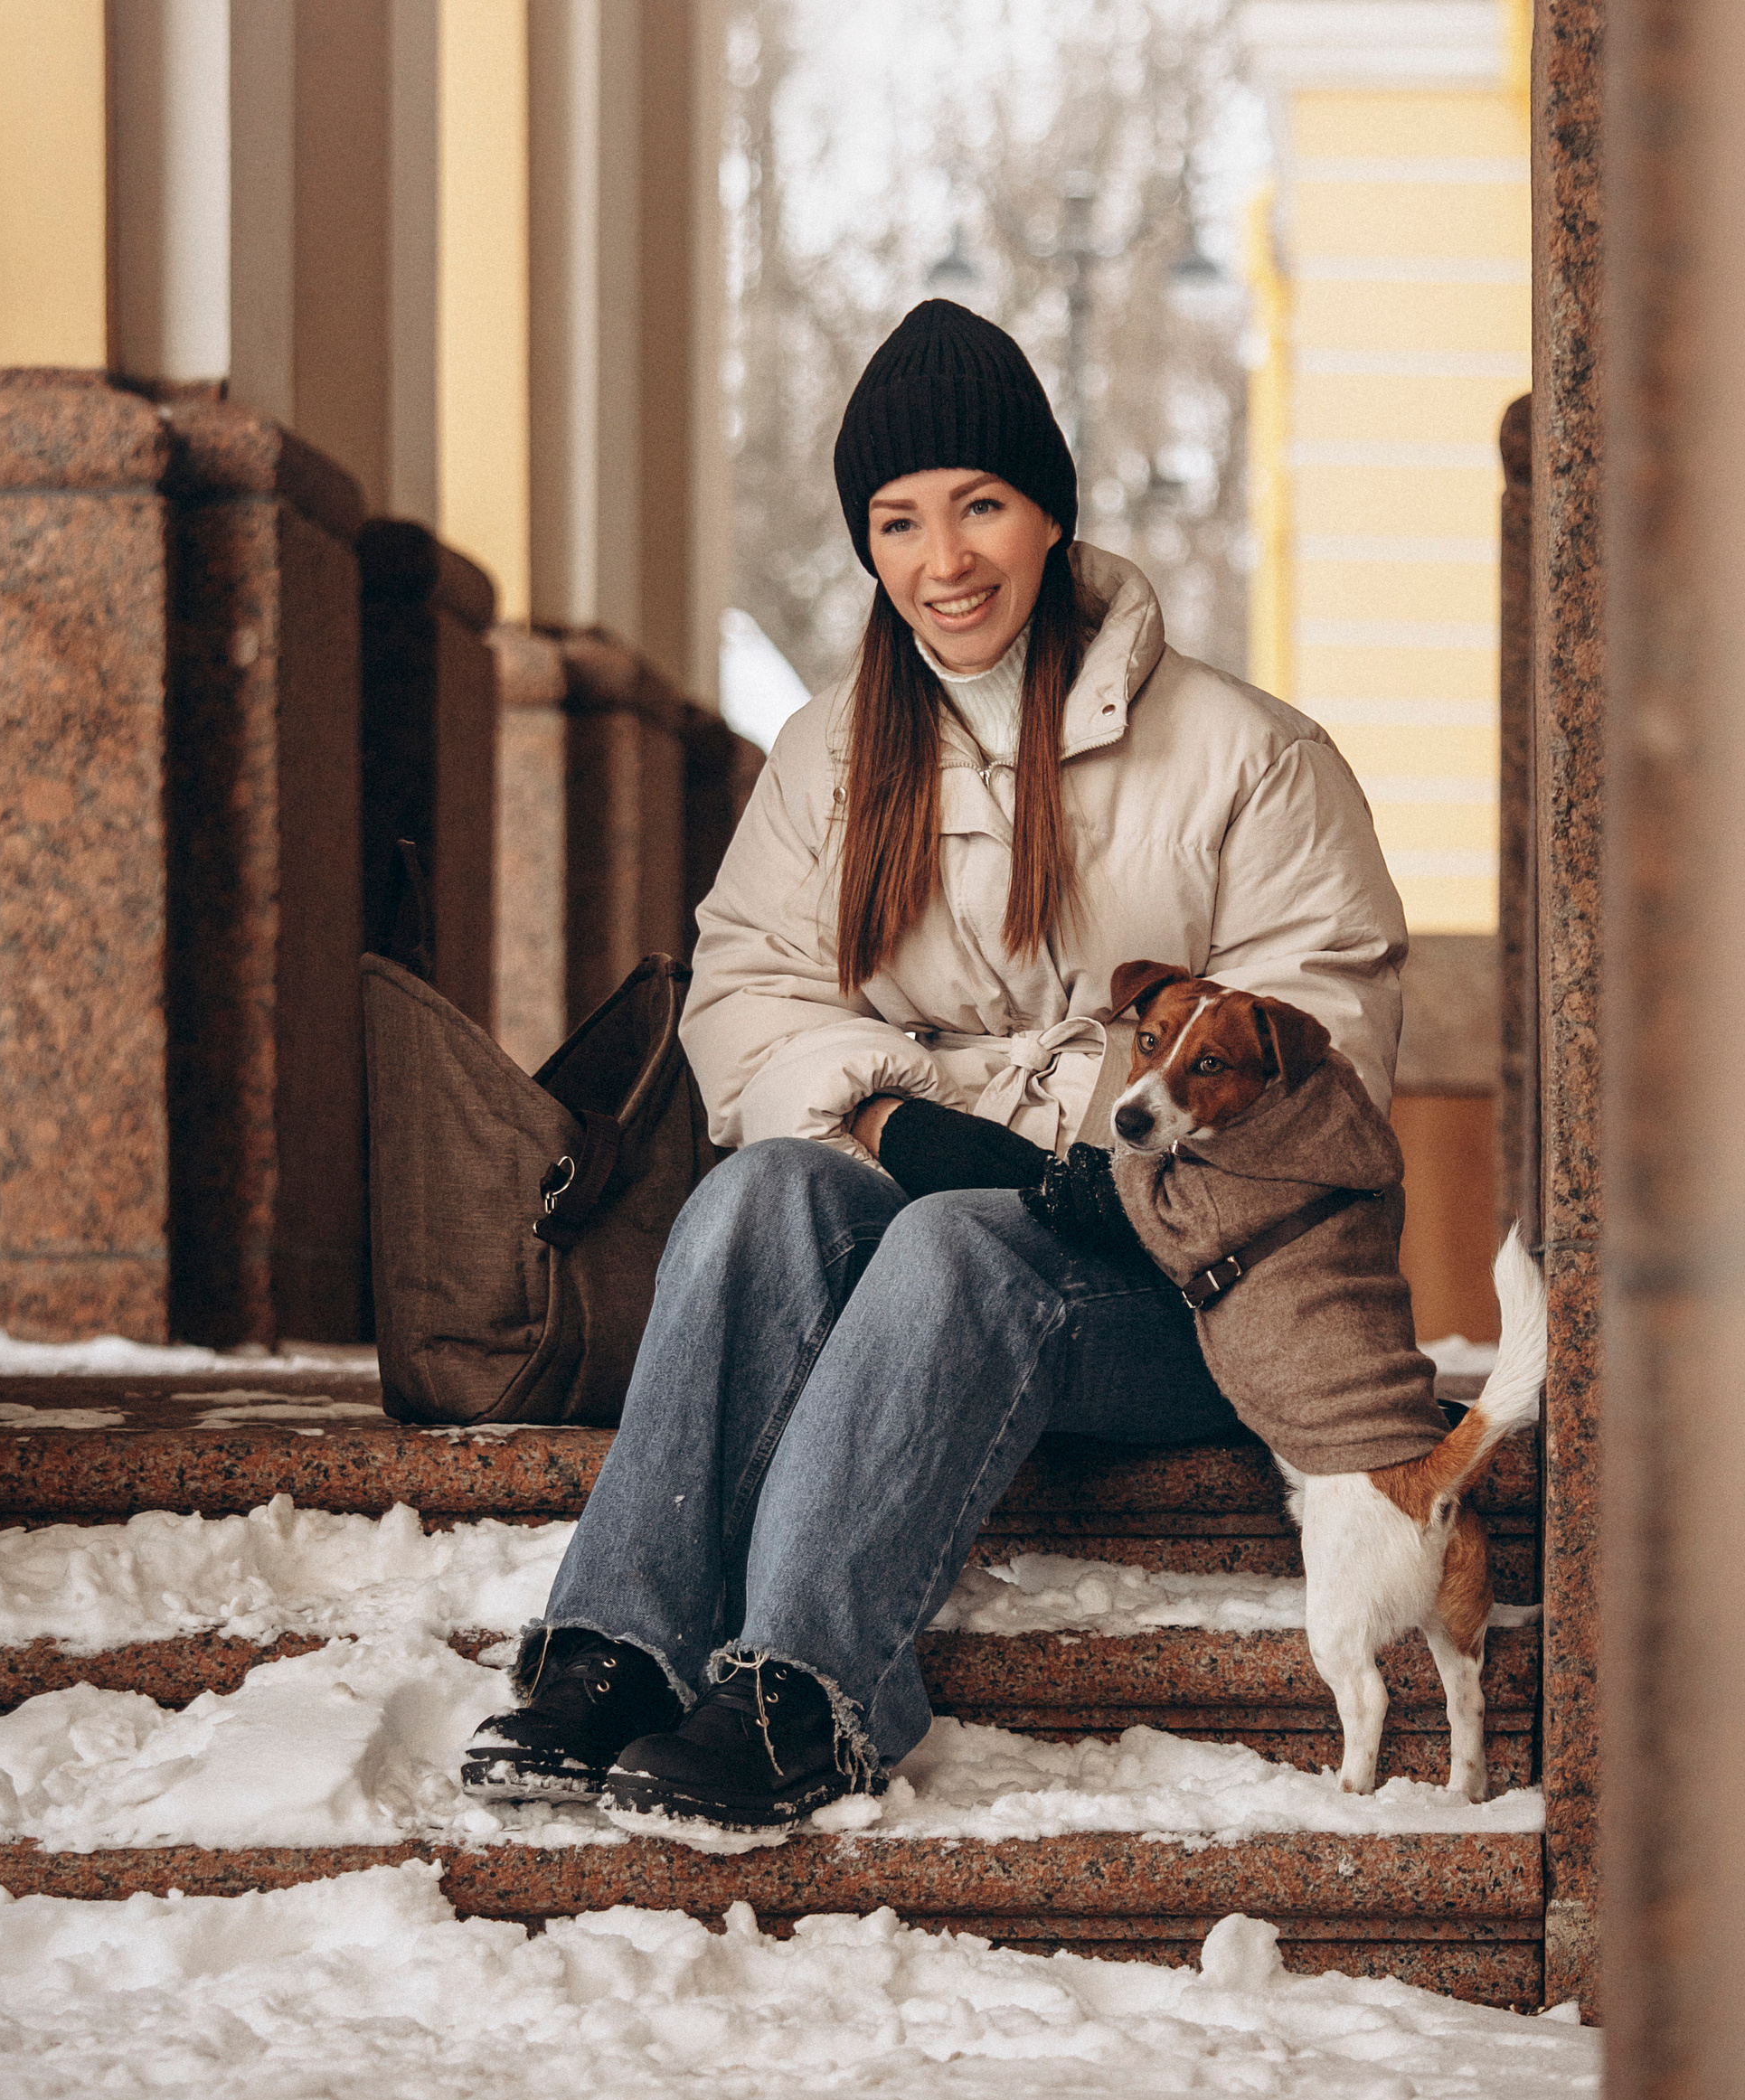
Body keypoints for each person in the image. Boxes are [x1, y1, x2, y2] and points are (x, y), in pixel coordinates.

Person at [463, 298, 1406, 1832]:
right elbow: (745, 998)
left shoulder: (1251, 761)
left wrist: (994, 1148)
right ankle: (621, 1651)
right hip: (926, 1247)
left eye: (980, 505)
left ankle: (807, 1694)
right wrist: (891, 1123)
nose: (943, 558)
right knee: (768, 1190)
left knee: (970, 1239)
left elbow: (1316, 1074)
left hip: (1205, 1300)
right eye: (898, 521)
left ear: (1050, 517)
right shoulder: (830, 754)